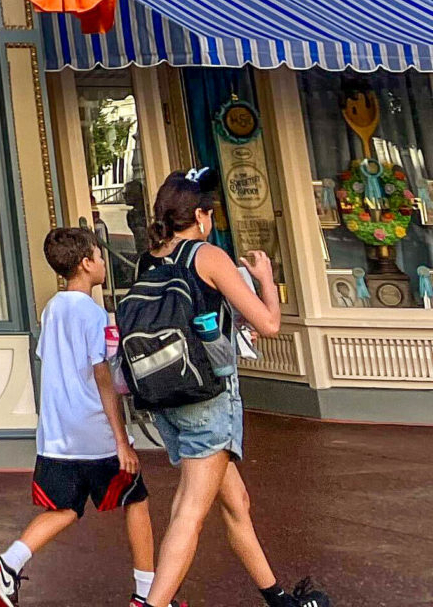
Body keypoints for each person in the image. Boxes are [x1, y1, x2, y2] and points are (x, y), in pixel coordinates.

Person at [131, 168, 326, 607]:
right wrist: (266, 279)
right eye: (209, 214)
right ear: (199, 216)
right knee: (189, 511)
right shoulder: (207, 255)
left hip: (165, 395)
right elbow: (270, 324)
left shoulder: (150, 258)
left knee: (235, 499)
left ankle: (277, 598)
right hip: (206, 398)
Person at [0, 226, 161, 607]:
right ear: (85, 262)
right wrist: (122, 440)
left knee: (64, 507)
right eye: (99, 254)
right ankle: (147, 592)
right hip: (94, 431)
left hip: (57, 433)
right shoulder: (94, 315)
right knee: (136, 497)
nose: (104, 261)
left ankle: (7, 563)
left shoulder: (53, 309)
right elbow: (102, 374)